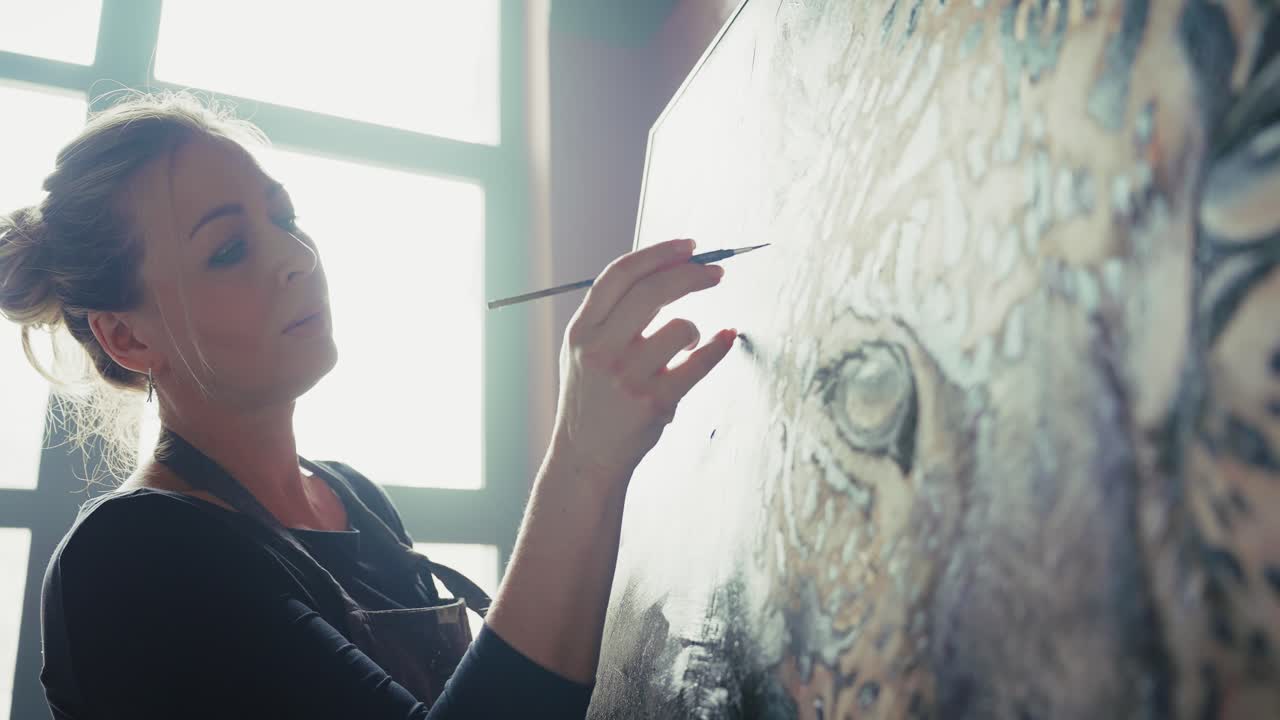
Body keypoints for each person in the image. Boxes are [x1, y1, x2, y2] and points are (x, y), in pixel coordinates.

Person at [0, 91, 736, 719]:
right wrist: (583, 456)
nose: (297, 257)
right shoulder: (135, 555)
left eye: (284, 219)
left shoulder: (352, 497)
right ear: (126, 337)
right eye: (229, 249)